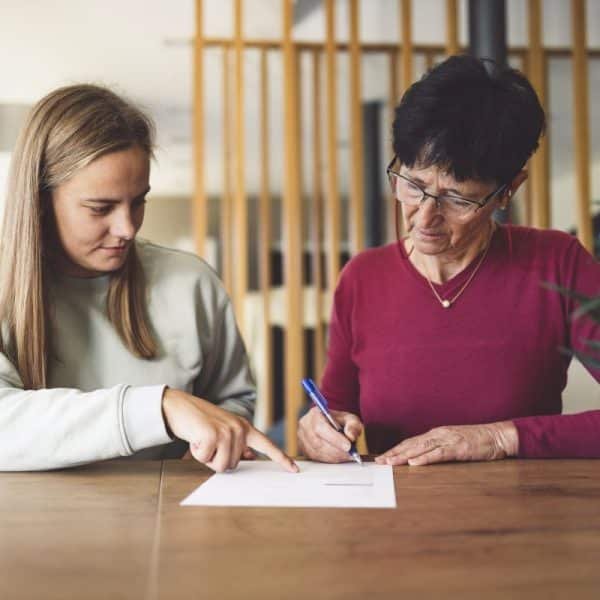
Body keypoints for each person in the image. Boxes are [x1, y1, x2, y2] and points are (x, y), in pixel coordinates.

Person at [298, 55, 600, 466]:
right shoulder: (362, 279)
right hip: (392, 519)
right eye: (413, 185)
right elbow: (335, 414)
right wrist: (319, 429)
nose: (424, 217)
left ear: (509, 190)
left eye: (457, 199)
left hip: (525, 520)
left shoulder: (558, 264)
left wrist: (499, 437)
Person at [0, 84, 297, 474]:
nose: (127, 228)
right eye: (101, 208)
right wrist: (159, 406)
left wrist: (217, 438)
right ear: (39, 200)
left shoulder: (191, 282)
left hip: (171, 518)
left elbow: (232, 400)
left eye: (139, 201)